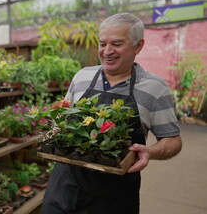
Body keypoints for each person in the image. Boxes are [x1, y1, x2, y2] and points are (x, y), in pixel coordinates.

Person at [42, 12, 182, 214]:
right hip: (65, 187)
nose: (107, 51)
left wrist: (151, 152)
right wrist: (56, 130)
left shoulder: (155, 88)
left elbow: (173, 140)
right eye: (102, 44)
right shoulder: (82, 76)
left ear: (138, 46)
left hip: (114, 196)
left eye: (117, 44)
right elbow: (64, 118)